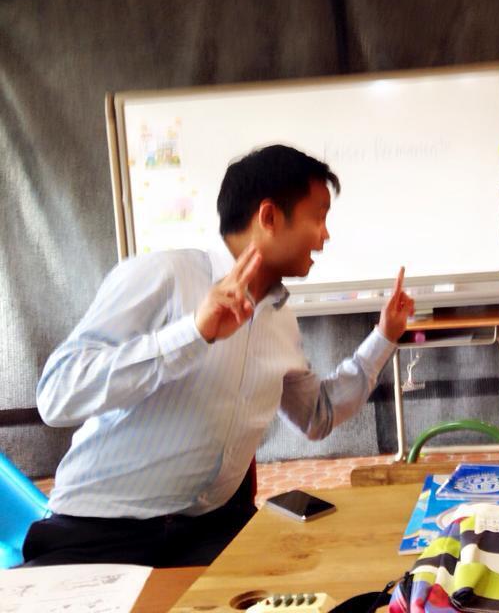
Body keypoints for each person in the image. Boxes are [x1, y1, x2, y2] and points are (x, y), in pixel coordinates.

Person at [22, 144, 415, 567]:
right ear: (269, 216)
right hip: (98, 532)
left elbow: (316, 415)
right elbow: (57, 396)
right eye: (318, 217)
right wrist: (193, 333)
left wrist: (384, 336)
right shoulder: (163, 275)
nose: (325, 236)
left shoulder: (280, 319)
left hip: (209, 532)